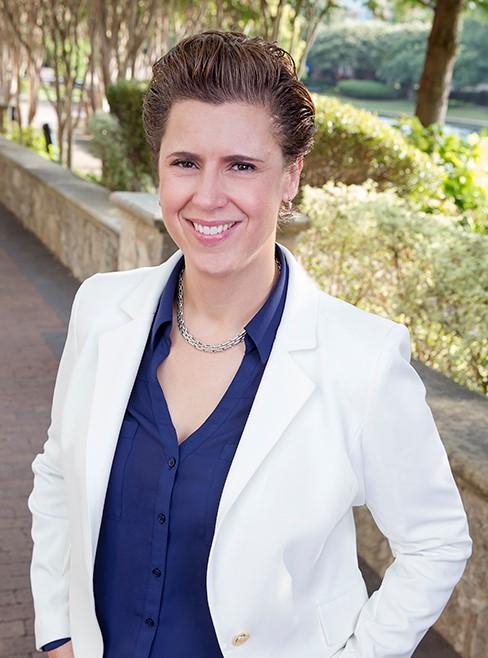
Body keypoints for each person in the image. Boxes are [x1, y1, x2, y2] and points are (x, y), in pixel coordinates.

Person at [28, 30, 472, 658]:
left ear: (290, 177)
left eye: (241, 165)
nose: (207, 197)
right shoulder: (101, 310)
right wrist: (57, 632)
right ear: (159, 166)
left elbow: (436, 542)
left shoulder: (362, 361)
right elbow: (56, 473)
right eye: (185, 162)